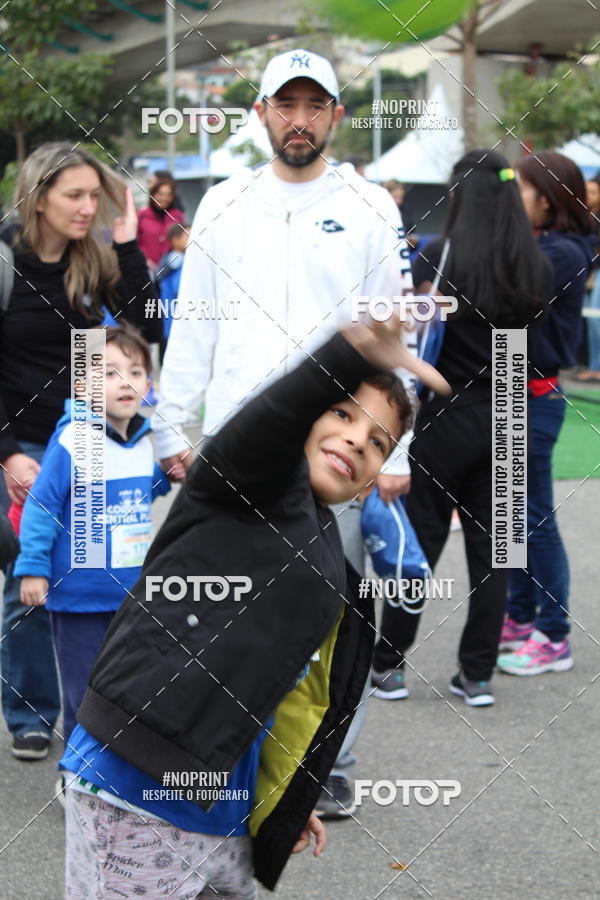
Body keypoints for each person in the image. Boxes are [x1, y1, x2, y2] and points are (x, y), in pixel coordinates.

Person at [61, 318, 445, 899]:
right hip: (136, 784)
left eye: (377, 443)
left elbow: (290, 697)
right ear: (307, 418)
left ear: (370, 483)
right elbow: (261, 429)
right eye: (342, 414)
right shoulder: (245, 484)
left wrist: (283, 800)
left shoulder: (331, 564)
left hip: (226, 811)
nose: (355, 441)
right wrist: (346, 356)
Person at [152, 48, 416, 815]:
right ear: (260, 112)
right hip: (239, 447)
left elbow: (388, 337)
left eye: (314, 106)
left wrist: (396, 447)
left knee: (330, 614)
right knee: (225, 604)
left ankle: (326, 763)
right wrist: (173, 427)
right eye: (285, 104)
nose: (299, 120)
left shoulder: (373, 208)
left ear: (335, 115)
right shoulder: (222, 204)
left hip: (339, 446)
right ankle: (223, 752)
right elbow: (194, 323)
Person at [371, 150, 549, 707]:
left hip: (445, 411)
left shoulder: (439, 256)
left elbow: (406, 333)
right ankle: (476, 676)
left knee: (419, 543)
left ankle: (389, 665)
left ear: (457, 196)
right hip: (509, 410)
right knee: (498, 551)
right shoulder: (532, 262)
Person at [0, 142, 160, 761]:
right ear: (40, 198)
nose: (88, 206)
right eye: (75, 195)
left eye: (95, 195)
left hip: (89, 437)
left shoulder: (96, 259)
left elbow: (148, 329)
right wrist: (10, 453)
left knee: (89, 569)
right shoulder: (5, 261)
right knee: (27, 572)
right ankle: (30, 710)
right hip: (18, 441)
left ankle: (92, 712)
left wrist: (126, 249)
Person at [13, 324, 170, 749]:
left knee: (126, 689)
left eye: (135, 372)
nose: (125, 382)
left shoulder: (142, 440)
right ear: (82, 386)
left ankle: (115, 771)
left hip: (129, 595)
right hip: (80, 593)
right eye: (110, 373)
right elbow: (42, 504)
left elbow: (134, 489)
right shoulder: (72, 439)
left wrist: (164, 477)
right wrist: (33, 569)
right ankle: (78, 775)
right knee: (84, 692)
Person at [498, 151, 595, 676]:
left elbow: (505, 292)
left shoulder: (561, 251)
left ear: (549, 196)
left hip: (535, 397)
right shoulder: (545, 245)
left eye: (522, 190)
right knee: (510, 521)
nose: (514, 201)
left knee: (533, 521)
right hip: (515, 394)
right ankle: (518, 615)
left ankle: (554, 634)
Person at [574, 173, 600, 382]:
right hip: (588, 271)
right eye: (586, 192)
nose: (588, 196)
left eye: (593, 192)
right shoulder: (583, 218)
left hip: (596, 272)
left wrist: (592, 273)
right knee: (590, 320)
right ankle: (593, 366)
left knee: (595, 318)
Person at [137, 177, 186, 274]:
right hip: (146, 270)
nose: (164, 198)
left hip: (171, 270)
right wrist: (144, 260)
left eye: (168, 195)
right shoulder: (141, 216)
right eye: (160, 194)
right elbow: (134, 243)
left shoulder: (178, 217)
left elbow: (182, 242)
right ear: (153, 194)